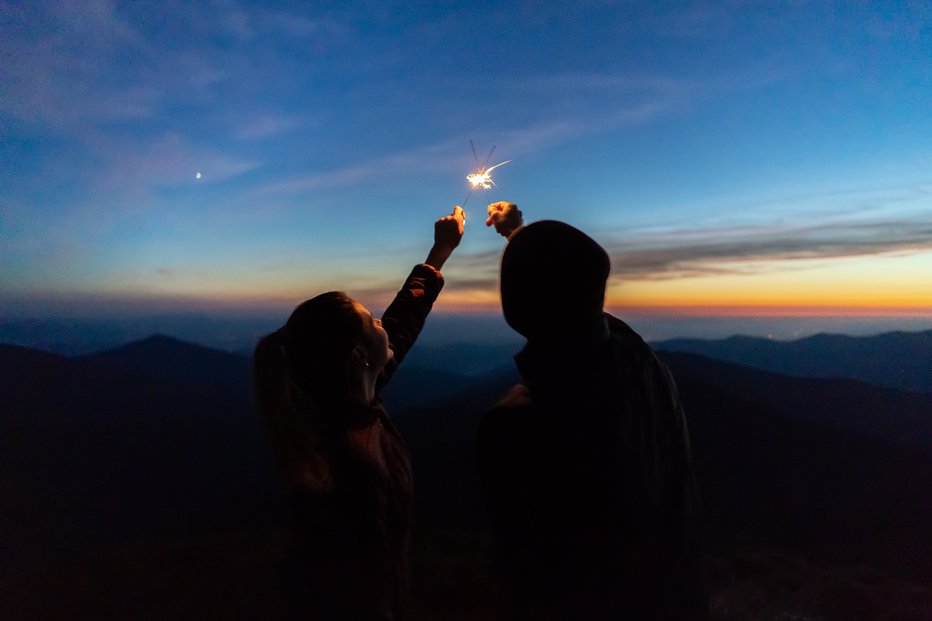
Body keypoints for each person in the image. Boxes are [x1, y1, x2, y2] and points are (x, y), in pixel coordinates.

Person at [479, 202, 708, 621]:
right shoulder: (641, 363)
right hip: (675, 599)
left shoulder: (518, 423)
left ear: (518, 302)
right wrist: (518, 233)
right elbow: (574, 295)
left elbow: (529, 575)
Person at [253, 206, 465, 620]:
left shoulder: (349, 396)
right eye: (372, 321)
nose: (382, 323)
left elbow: (400, 325)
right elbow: (361, 587)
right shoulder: (351, 463)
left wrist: (439, 253)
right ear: (357, 355)